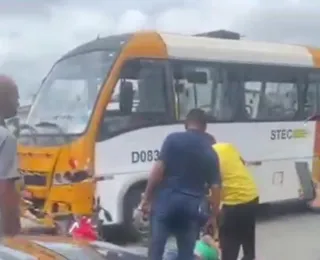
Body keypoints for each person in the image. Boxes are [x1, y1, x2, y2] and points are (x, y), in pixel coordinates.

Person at [139, 108, 221, 260]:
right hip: (191, 207)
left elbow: (158, 171)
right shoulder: (210, 151)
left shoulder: (172, 139)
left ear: (186, 124)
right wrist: (213, 217)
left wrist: (147, 199)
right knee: (186, 254)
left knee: (156, 250)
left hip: (165, 203)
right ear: (205, 127)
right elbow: (216, 189)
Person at [212, 143, 259, 260]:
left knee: (229, 249)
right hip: (252, 195)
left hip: (234, 203)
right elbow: (242, 163)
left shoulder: (206, 156)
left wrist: (214, 213)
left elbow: (214, 187)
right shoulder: (227, 146)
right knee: (248, 241)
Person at [0, 75, 21, 237]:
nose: (19, 102)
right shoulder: (6, 138)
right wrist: (13, 236)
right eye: (16, 96)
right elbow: (5, 190)